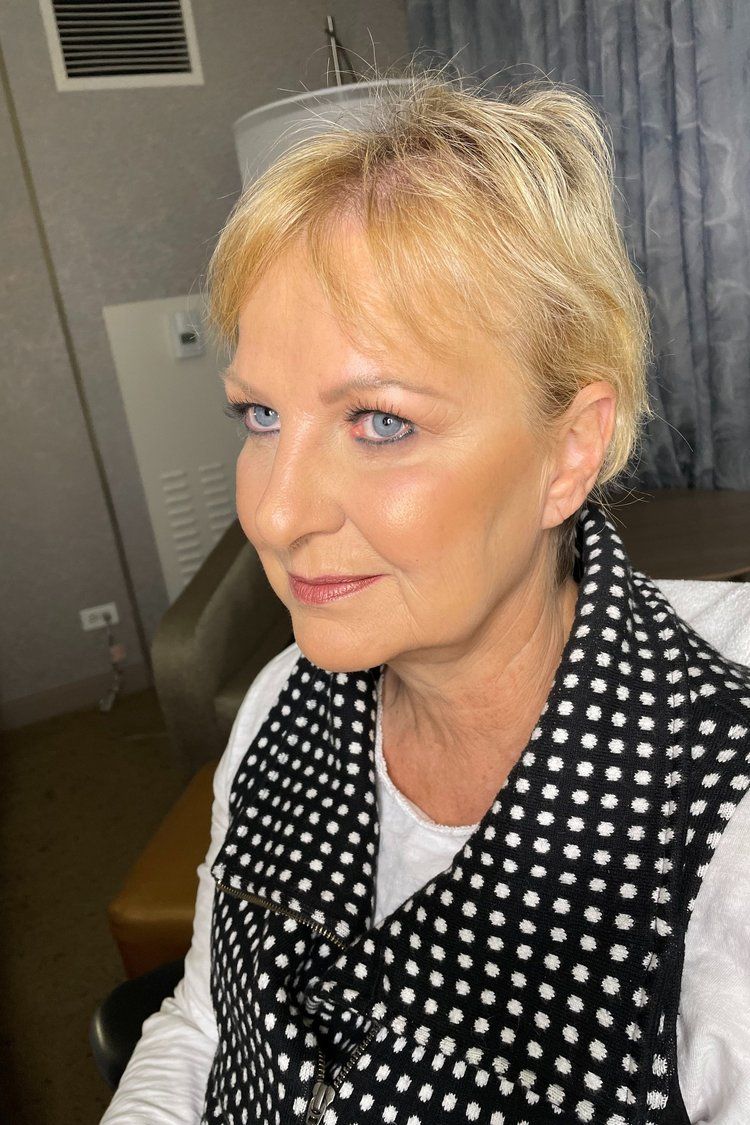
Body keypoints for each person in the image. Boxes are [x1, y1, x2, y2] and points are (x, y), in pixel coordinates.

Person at [101, 68, 750, 1124]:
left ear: (571, 447)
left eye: (382, 422)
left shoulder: (722, 841)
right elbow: (208, 1023)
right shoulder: (281, 703)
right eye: (259, 416)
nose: (273, 514)